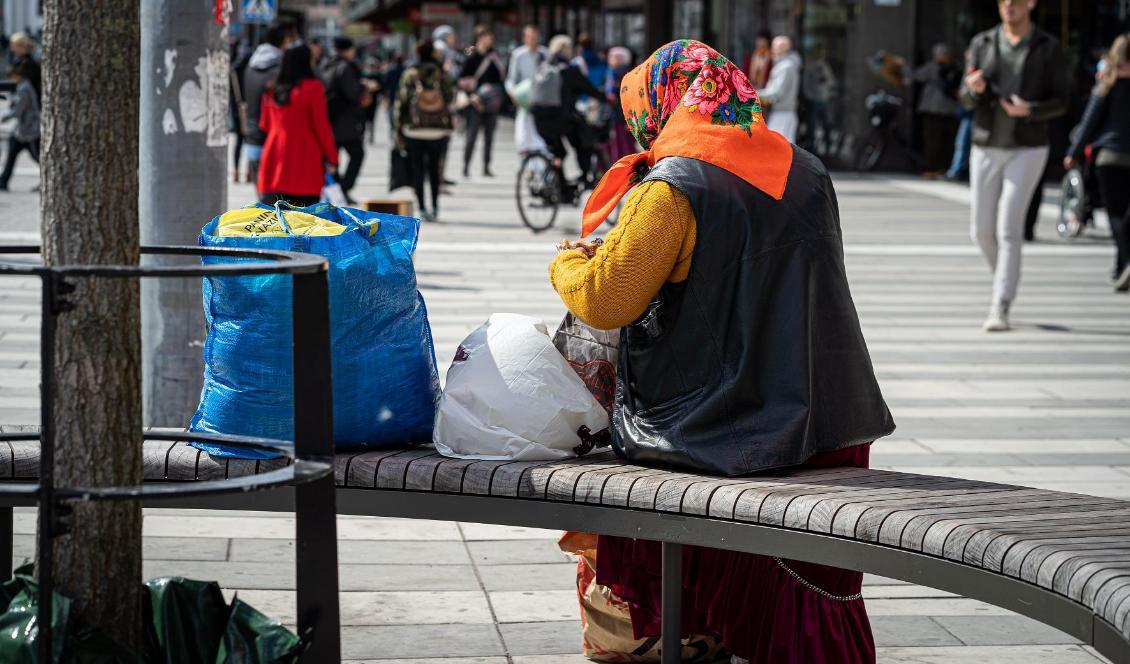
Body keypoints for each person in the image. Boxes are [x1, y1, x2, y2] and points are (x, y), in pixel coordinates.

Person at [549, 39, 893, 663]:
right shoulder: (806, 169)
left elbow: (607, 299)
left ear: (663, 105)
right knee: (792, 597)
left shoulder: (673, 187)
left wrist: (567, 264)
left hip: (718, 433)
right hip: (823, 422)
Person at [960, 0, 1068, 331]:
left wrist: (1031, 110)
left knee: (1009, 227)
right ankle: (1004, 280)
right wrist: (973, 89)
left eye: (1017, 0)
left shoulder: (1048, 47)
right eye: (1004, 0)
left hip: (1029, 146)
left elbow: (1063, 100)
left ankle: (1000, 305)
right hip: (986, 143)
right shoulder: (983, 42)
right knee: (980, 231)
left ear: (1032, 4)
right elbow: (964, 96)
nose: (1009, 5)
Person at [1066, 33, 1130, 292]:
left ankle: (1124, 262)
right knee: (1125, 217)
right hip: (1115, 156)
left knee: (1115, 214)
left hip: (1110, 157)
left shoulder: (1107, 84)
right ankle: (1121, 266)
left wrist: (1073, 152)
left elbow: (1089, 122)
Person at [257, 44, 338, 207]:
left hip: (274, 156)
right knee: (305, 219)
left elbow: (264, 125)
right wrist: (332, 157)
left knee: (276, 218)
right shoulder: (313, 87)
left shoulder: (272, 89)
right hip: (305, 157)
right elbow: (321, 127)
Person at [530, 35, 607, 185]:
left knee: (559, 152)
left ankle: (558, 188)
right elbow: (589, 88)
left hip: (539, 120)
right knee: (581, 141)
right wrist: (607, 98)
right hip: (561, 120)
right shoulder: (569, 70)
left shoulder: (542, 66)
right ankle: (584, 176)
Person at [394, 41, 455, 222]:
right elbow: (450, 97)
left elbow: (402, 103)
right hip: (437, 130)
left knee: (418, 170)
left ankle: (422, 208)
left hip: (414, 130)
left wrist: (398, 130)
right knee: (435, 169)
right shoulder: (441, 73)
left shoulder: (410, 74)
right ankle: (435, 206)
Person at [242, 20, 297, 190]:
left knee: (263, 205)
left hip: (251, 138)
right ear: (286, 39)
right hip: (274, 142)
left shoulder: (250, 65)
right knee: (278, 205)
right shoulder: (281, 68)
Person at [321, 37, 369, 202]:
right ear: (348, 50)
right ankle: (343, 188)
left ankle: (338, 189)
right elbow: (353, 93)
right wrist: (364, 87)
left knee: (332, 159)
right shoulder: (345, 67)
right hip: (345, 122)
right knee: (357, 154)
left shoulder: (325, 65)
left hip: (329, 120)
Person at [458, 26, 505, 178]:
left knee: (489, 137)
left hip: (491, 103)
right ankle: (466, 166)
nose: (490, 40)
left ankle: (486, 166)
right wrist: (472, 96)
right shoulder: (471, 57)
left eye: (491, 38)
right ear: (479, 38)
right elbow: (462, 79)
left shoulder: (494, 57)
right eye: (487, 37)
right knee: (471, 136)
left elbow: (500, 78)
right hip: (475, 102)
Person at [913, 43, 961, 175]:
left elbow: (914, 75)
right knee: (948, 140)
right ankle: (944, 167)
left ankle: (931, 167)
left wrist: (900, 65)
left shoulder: (932, 67)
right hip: (950, 109)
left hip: (932, 109)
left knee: (932, 140)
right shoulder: (955, 67)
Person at [506, 24, 549, 155]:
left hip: (542, 101)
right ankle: (527, 166)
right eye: (529, 37)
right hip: (524, 99)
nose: (532, 39)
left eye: (534, 37)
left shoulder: (545, 53)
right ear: (525, 38)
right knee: (524, 135)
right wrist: (513, 94)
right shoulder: (518, 55)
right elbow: (511, 79)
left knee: (541, 135)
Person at [0, 57, 40, 192]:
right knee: (11, 155)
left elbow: (18, 111)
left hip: (30, 131)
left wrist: (3, 117)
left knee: (38, 157)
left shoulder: (24, 89)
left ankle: (47, 179)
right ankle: (3, 181)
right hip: (21, 131)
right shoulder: (22, 87)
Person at [757, 36, 802, 143]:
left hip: (782, 114)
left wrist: (753, 94)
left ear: (784, 48)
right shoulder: (785, 65)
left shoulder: (786, 67)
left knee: (777, 149)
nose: (772, 50)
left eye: (775, 47)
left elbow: (777, 92)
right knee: (784, 149)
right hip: (783, 113)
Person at [801, 45, 835, 155]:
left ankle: (828, 148)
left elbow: (831, 81)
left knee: (827, 124)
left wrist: (827, 85)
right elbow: (806, 84)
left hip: (824, 99)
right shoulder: (809, 66)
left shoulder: (825, 66)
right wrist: (809, 97)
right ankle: (812, 147)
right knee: (812, 125)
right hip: (814, 100)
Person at [605, 46, 637, 161]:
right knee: (624, 142)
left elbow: (615, 92)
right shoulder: (626, 71)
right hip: (624, 113)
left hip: (621, 112)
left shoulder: (618, 73)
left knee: (621, 143)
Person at [7, 32, 39, 98]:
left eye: (13, 45)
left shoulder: (27, 63)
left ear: (20, 46)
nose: (11, 48)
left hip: (27, 100)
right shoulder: (20, 60)